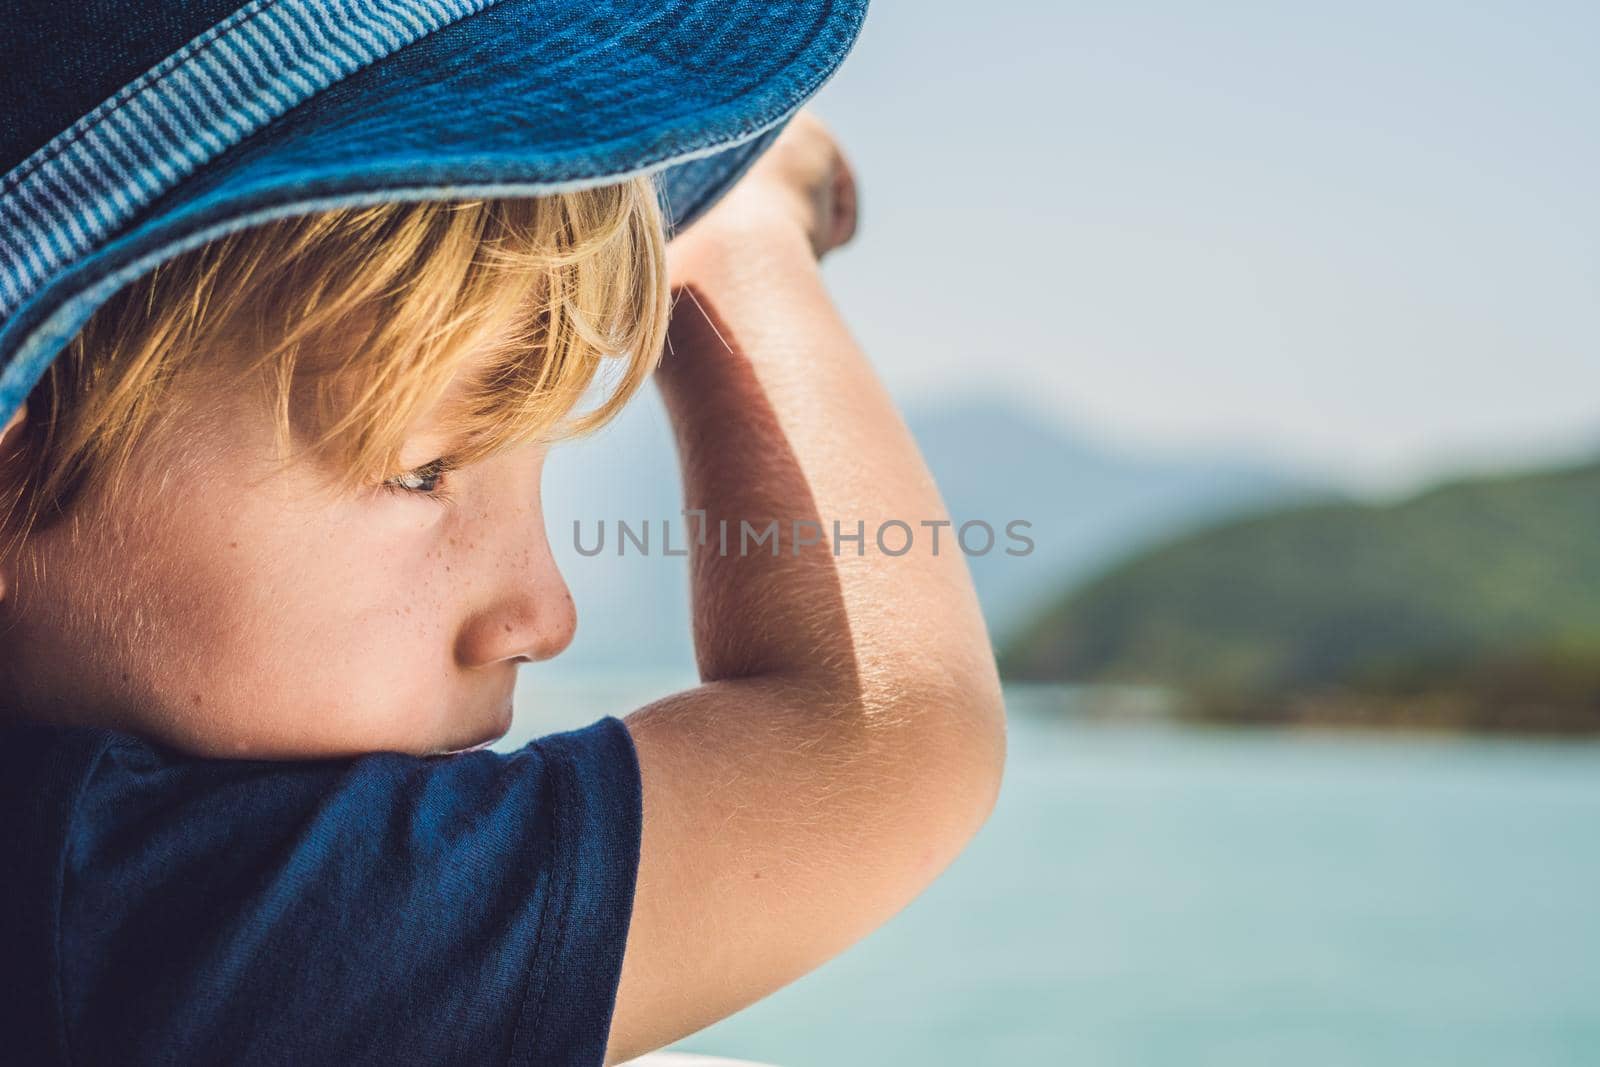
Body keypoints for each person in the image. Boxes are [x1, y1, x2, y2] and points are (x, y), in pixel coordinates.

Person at [0, 7, 1006, 1066]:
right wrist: (742, 244)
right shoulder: (155, 922)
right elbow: (888, 735)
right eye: (419, 466)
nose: (544, 612)